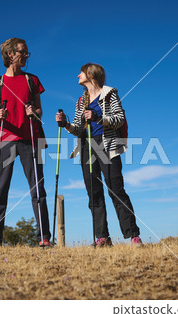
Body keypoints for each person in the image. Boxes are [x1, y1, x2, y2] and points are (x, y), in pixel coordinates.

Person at [56, 63, 142, 247]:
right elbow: (79, 130)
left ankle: (133, 235)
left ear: (91, 74)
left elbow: (119, 119)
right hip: (87, 146)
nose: (78, 76)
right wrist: (66, 125)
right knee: (94, 193)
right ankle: (102, 238)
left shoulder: (110, 94)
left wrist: (97, 118)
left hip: (107, 144)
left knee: (116, 190)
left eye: (81, 72)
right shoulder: (81, 100)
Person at [0, 37, 51, 247]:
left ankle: (44, 238)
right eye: (23, 52)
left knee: (38, 190)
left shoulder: (32, 80)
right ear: (10, 54)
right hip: (4, 140)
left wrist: (34, 112)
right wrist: (0, 116)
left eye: (27, 52)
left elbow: (40, 110)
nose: (26, 56)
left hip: (30, 139)